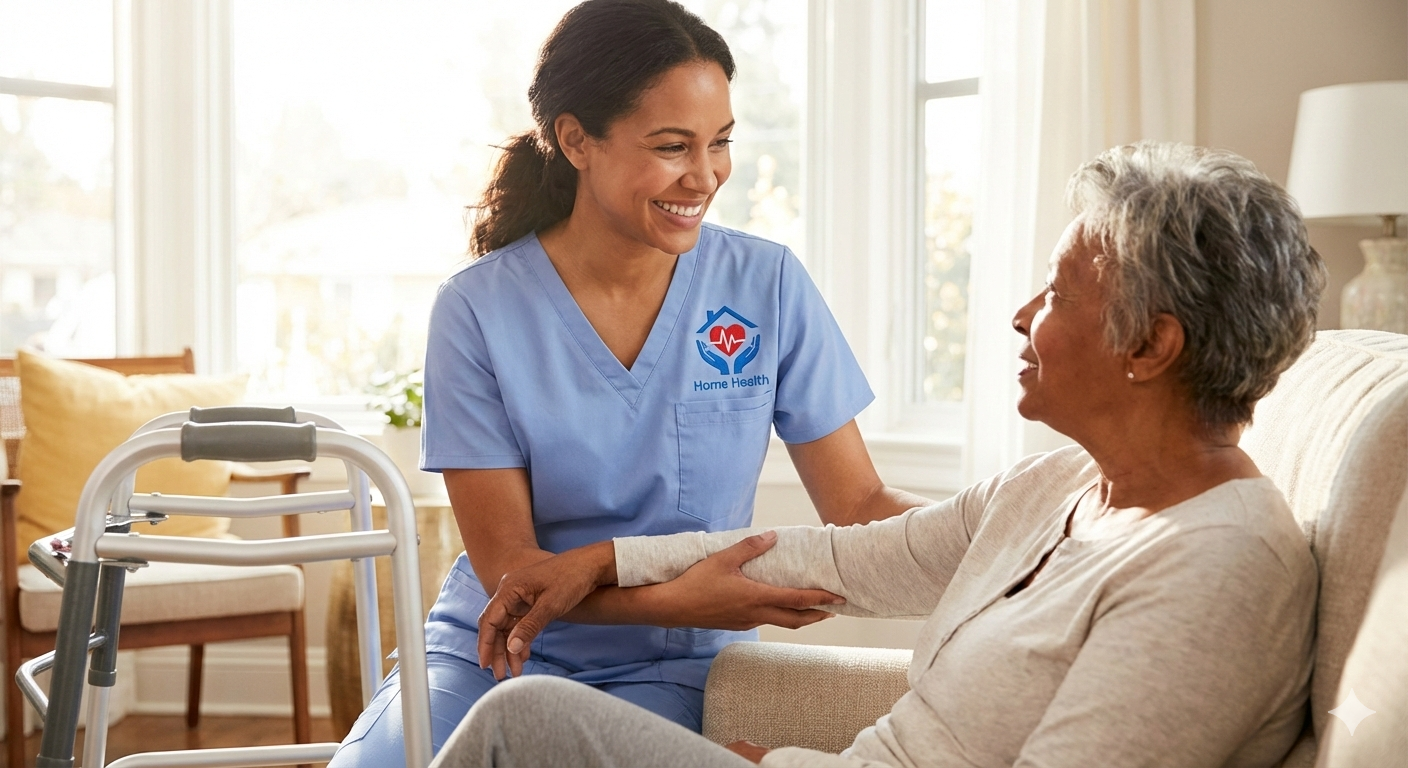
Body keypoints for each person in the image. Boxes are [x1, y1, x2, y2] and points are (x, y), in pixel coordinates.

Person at [435, 141, 1328, 768]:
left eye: (1058, 292)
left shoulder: (1217, 568)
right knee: (525, 721)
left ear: (1151, 348)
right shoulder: (1059, 487)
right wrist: (602, 559)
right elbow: (838, 554)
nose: (1023, 315)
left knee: (523, 725)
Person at [329, 1, 928, 764]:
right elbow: (512, 570)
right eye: (673, 146)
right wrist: (687, 597)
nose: (705, 176)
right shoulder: (476, 309)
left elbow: (860, 505)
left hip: (669, 666)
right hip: (496, 648)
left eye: (721, 143)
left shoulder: (765, 283)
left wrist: (1015, 534)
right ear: (576, 139)